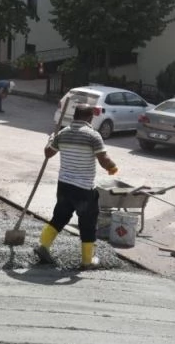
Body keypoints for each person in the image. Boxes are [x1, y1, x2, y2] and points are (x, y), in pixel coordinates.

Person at [34, 104, 118, 270]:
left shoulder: (63, 133)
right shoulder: (93, 135)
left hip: (64, 186)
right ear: (90, 118)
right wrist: (113, 168)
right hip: (84, 189)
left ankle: (43, 245)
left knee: (59, 217)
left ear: (74, 116)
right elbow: (103, 159)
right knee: (88, 223)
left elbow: (48, 154)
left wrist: (51, 139)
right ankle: (87, 261)